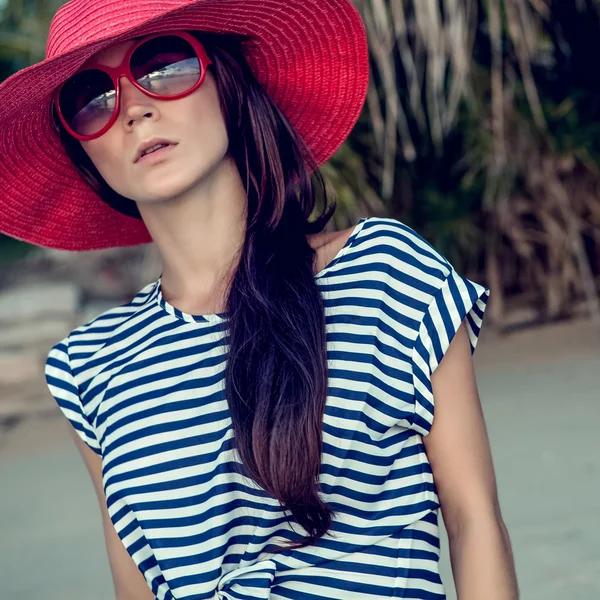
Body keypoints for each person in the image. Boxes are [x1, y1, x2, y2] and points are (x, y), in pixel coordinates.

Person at [0, 0, 519, 599]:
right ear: (84, 154)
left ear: (229, 82)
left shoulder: (384, 274)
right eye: (91, 98)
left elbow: (474, 521)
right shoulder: (89, 366)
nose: (134, 109)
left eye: (164, 65)